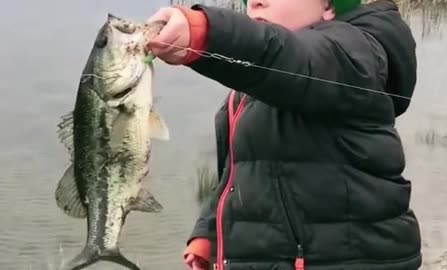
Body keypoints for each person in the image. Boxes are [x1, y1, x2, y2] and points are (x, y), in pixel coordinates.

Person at [146, 0, 422, 269]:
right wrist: (212, 233)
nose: (255, 3)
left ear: (328, 5)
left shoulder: (354, 52)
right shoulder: (265, 81)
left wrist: (206, 31)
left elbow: (295, 57)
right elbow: (245, 169)